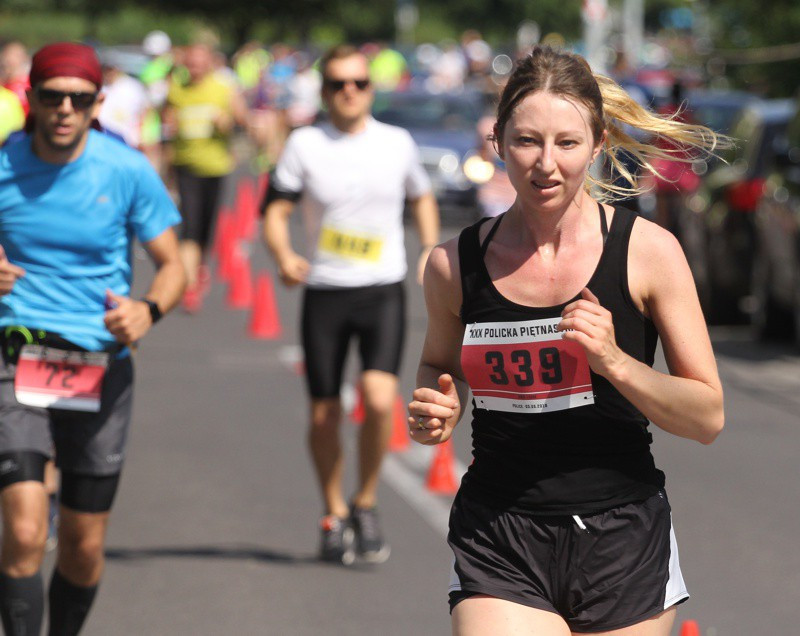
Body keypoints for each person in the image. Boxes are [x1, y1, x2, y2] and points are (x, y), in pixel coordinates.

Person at [407, 46, 725, 635]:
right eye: (527, 141)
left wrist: (613, 361)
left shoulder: (648, 253)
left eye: (567, 143)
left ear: (598, 144)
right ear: (497, 142)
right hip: (500, 532)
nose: (546, 164)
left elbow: (706, 416)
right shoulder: (453, 267)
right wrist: (437, 406)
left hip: (622, 536)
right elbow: (436, 366)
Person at [0, 42, 185, 635]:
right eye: (51, 97)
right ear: (31, 97)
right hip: (15, 352)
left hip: (99, 361)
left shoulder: (125, 168)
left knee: (82, 543)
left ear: (97, 102)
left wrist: (148, 309)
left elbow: (173, 264)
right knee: (26, 529)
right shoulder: (3, 162)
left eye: (78, 100)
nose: (64, 110)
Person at [263, 44, 440, 566]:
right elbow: (274, 211)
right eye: (338, 84)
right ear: (323, 92)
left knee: (380, 399)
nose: (349, 92)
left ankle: (365, 501)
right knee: (324, 414)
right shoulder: (304, 144)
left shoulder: (396, 143)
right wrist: (284, 254)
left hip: (380, 287)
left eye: (359, 83)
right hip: (325, 290)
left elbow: (422, 196)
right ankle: (333, 509)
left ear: (370, 89)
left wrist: (430, 247)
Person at [162, 42, 247, 314]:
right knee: (190, 226)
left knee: (206, 232)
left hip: (215, 167)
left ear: (209, 62)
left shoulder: (222, 89)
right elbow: (167, 125)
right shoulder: (176, 90)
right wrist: (166, 168)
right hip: (186, 166)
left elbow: (242, 119)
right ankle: (189, 285)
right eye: (191, 62)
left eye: (200, 62)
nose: (195, 67)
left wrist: (228, 122)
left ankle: (198, 270)